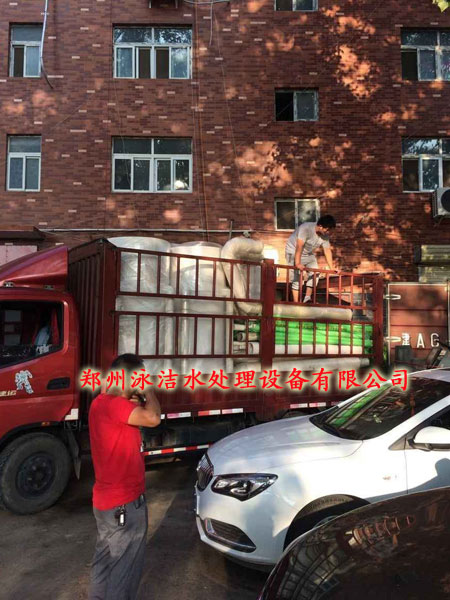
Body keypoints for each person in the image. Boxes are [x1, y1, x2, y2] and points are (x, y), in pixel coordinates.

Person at [88, 353, 161, 600]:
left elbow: (127, 407)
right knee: (124, 570)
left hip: (105, 503)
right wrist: (148, 389)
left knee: (104, 563)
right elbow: (153, 417)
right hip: (125, 505)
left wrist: (133, 396)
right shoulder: (117, 406)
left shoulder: (100, 403)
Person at [285, 215, 337, 303]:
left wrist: (331, 268)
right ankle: (296, 303)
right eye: (327, 230)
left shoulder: (325, 235)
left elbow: (327, 250)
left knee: (315, 271)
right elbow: (299, 246)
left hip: (307, 253)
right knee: (296, 277)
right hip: (293, 251)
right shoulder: (306, 228)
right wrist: (297, 263)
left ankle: (307, 298)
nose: (328, 233)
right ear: (320, 226)